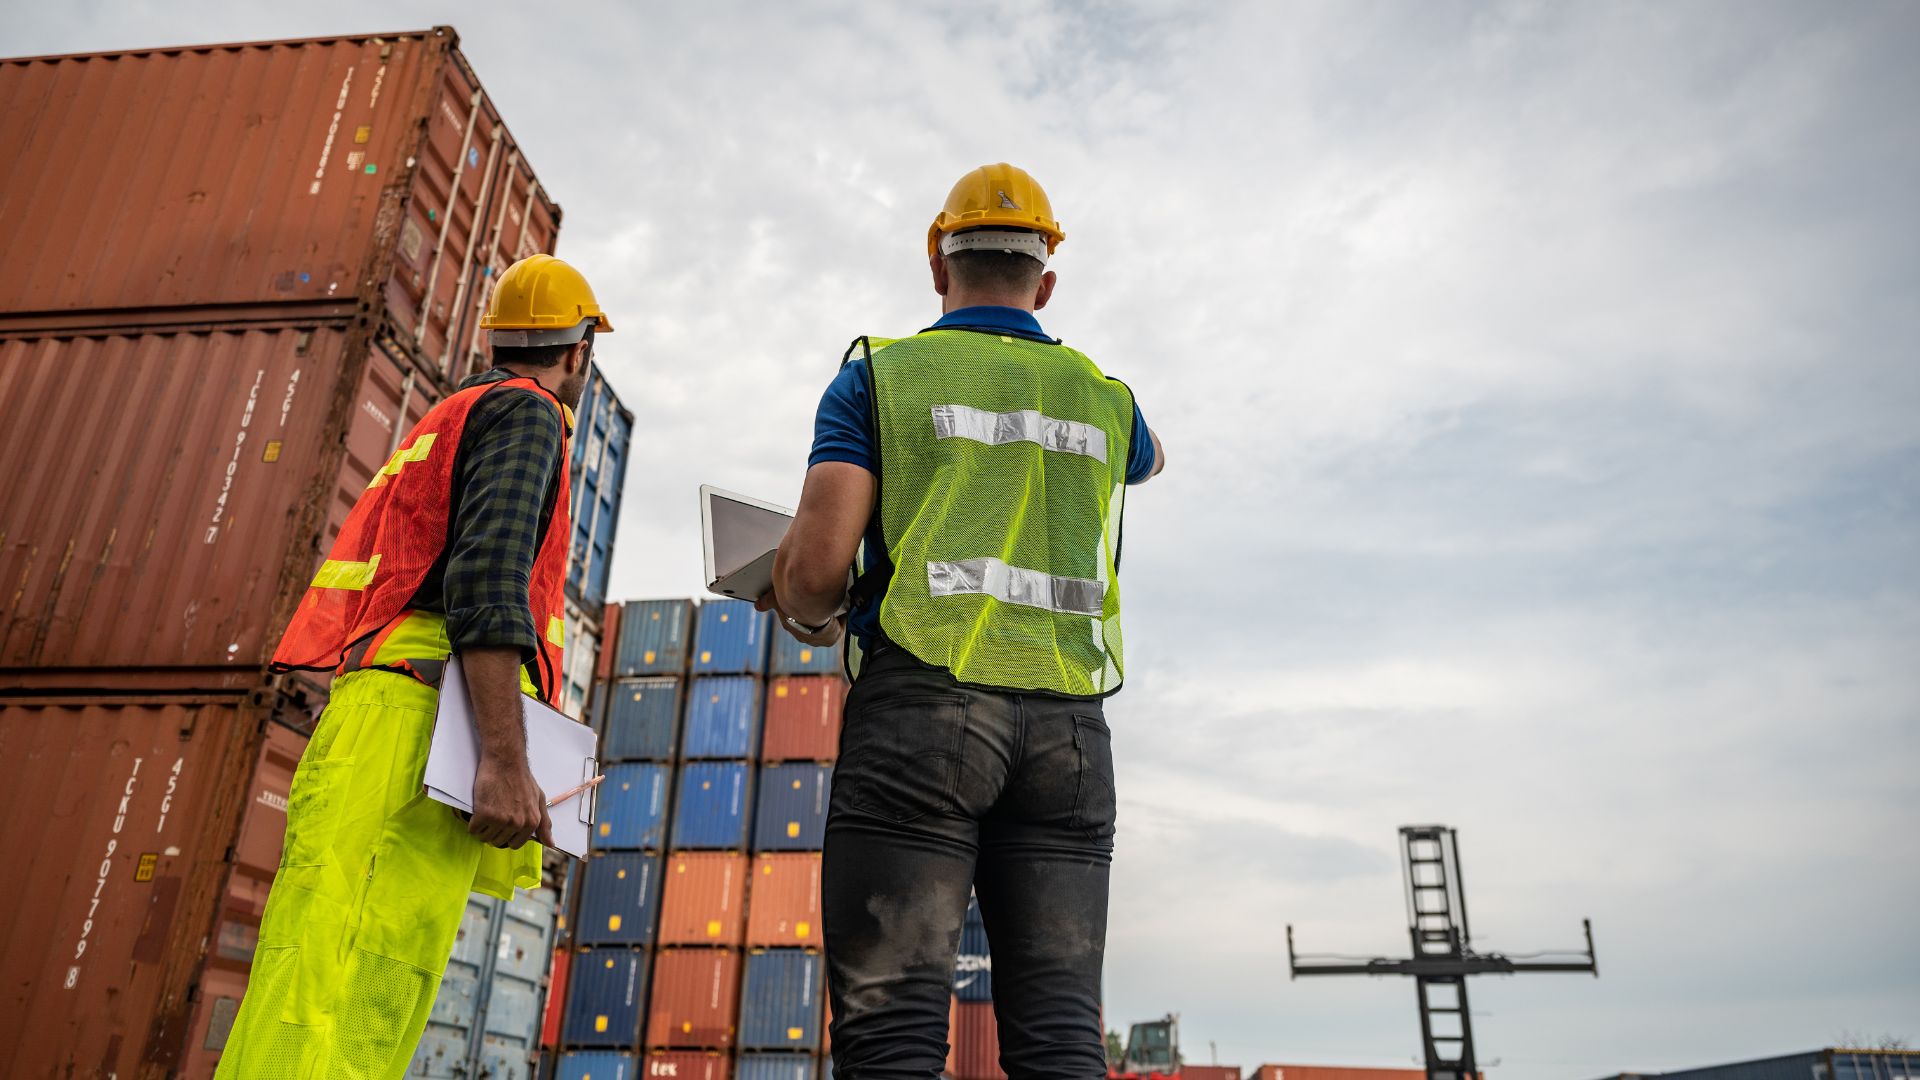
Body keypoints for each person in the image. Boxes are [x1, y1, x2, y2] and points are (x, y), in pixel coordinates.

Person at [762, 163, 1165, 1079]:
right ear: (1047, 282)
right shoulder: (1108, 400)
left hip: (924, 719)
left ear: (938, 266)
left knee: (894, 1039)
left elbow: (817, 575)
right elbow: (1150, 456)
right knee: (1063, 1037)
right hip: (1069, 735)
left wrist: (792, 592)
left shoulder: (880, 376)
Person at [216, 254, 613, 1078]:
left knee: (343, 981)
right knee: (344, 989)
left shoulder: (453, 413)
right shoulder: (528, 416)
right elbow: (486, 582)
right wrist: (505, 761)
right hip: (420, 724)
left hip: (393, 712)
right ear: (578, 351)